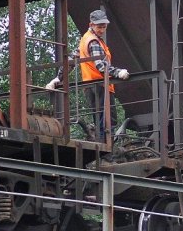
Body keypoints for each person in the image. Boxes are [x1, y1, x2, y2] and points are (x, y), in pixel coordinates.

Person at [48, 9, 129, 140]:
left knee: (100, 119)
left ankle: (103, 147)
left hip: (90, 87)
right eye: (99, 27)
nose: (102, 30)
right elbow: (101, 66)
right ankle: (106, 152)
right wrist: (118, 72)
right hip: (100, 85)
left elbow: (72, 60)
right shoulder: (94, 42)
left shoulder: (85, 40)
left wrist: (58, 78)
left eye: (104, 27)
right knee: (108, 121)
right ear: (91, 25)